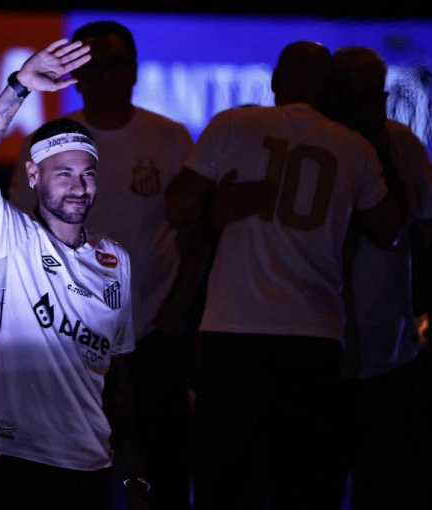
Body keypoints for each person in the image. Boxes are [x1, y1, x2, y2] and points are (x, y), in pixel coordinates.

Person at [164, 41, 402, 510]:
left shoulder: (234, 124)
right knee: (305, 487)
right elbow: (388, 229)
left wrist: (217, 208)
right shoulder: (354, 147)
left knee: (224, 487)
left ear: (276, 81)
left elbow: (178, 207)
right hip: (315, 338)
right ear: (329, 88)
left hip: (233, 333)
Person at [0, 38, 148, 509]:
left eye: (88, 173)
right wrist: (20, 86)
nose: (79, 186)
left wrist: (134, 469)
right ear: (33, 176)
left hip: (91, 467)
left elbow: (116, 374)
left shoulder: (115, 260)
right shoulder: (8, 236)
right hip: (12, 458)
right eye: (64, 174)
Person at [9, 22, 194, 509]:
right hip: (67, 339)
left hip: (151, 333)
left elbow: (194, 233)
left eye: (116, 64)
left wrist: (175, 311)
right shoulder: (48, 140)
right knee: (65, 482)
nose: (107, 76)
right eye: (95, 65)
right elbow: (20, 235)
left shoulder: (170, 137)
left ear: (134, 70)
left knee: (161, 475)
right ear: (76, 74)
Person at [326, 46, 432, 510]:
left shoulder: (401, 143)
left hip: (390, 349)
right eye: (360, 97)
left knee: (389, 486)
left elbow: (426, 229)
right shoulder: (318, 144)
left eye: (377, 96)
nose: (371, 108)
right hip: (321, 347)